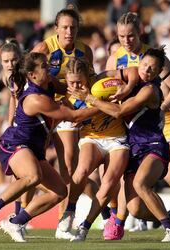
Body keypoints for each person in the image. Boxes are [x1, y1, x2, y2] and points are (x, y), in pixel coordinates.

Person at [0, 52, 98, 242]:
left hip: (34, 147)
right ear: (32, 75)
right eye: (43, 65)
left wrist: (87, 83)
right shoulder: (35, 98)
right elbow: (72, 116)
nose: (48, 67)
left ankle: (17, 221)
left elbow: (68, 88)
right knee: (33, 176)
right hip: (16, 143)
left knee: (59, 192)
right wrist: (104, 105)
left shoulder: (49, 83)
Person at [105, 12, 170, 237]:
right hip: (128, 130)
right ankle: (133, 218)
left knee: (160, 179)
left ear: (140, 31)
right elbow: (107, 90)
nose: (126, 41)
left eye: (130, 35)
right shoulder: (115, 59)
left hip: (152, 130)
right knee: (133, 203)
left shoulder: (152, 57)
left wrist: (161, 109)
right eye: (121, 36)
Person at [70, 48, 170, 242]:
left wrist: (90, 98)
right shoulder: (132, 75)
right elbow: (111, 73)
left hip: (153, 145)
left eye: (152, 69)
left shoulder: (149, 90)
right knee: (136, 209)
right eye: (145, 65)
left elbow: (119, 112)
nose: (146, 70)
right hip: (135, 148)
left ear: (157, 73)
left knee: (141, 184)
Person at [32, 7, 108, 239]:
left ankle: (103, 212)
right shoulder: (44, 48)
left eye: (73, 27)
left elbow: (92, 79)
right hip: (56, 112)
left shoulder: (85, 50)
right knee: (66, 165)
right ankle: (62, 220)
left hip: (82, 112)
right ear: (56, 28)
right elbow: (30, 76)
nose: (69, 31)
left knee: (78, 171)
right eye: (64, 27)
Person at [56, 58, 130, 241]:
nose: (75, 85)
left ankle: (85, 227)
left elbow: (118, 108)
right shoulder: (64, 94)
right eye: (71, 82)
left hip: (117, 139)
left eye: (79, 81)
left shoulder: (103, 85)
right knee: (80, 172)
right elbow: (73, 118)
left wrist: (92, 98)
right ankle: (70, 210)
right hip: (92, 138)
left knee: (108, 182)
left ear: (88, 76)